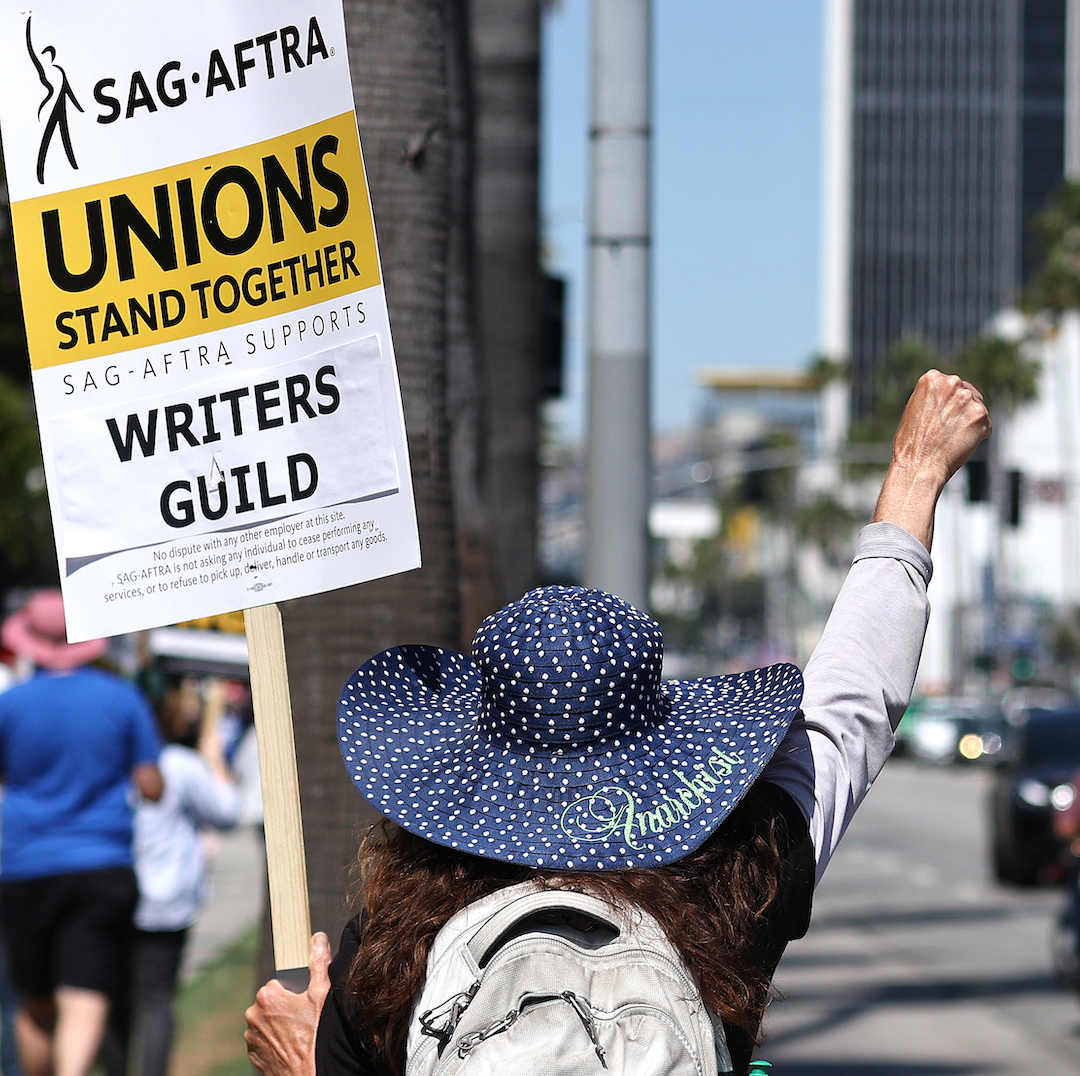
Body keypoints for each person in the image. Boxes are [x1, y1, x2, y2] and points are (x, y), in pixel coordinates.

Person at [244, 370, 990, 1076]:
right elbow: (848, 710)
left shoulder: (391, 944)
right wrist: (915, 471)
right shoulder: (737, 879)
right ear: (660, 740)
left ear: (470, 750)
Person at [0, 591, 163, 1076]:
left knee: (35, 1003)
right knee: (86, 993)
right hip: (102, 862)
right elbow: (151, 786)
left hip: (24, 865)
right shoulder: (123, 698)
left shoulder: (10, 705)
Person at [125, 673, 241, 1076]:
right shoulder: (179, 763)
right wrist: (215, 757)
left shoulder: (119, 758)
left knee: (115, 1000)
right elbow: (228, 812)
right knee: (155, 1002)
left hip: (119, 893)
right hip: (164, 900)